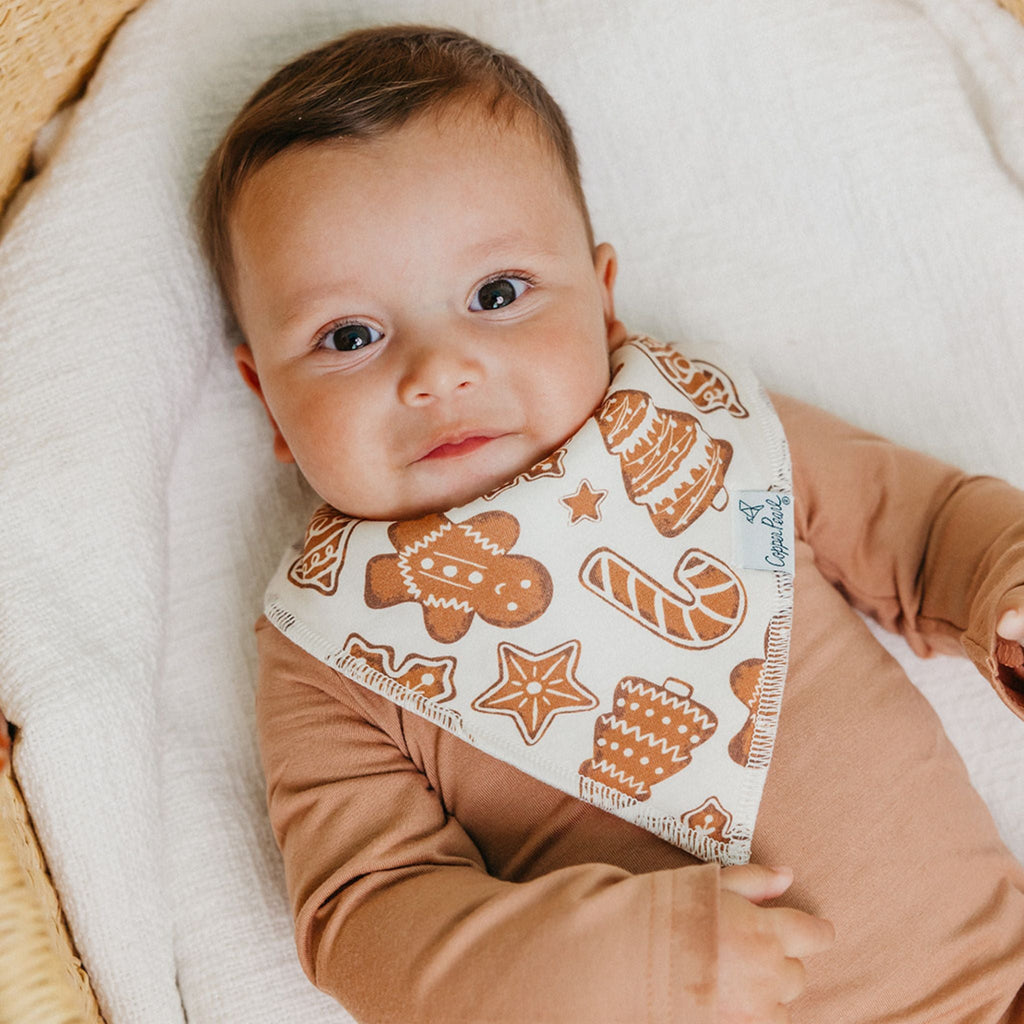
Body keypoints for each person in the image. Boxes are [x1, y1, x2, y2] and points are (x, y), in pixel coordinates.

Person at [194, 24, 1024, 1023]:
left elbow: (924, 528)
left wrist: (1004, 582)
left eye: (497, 294)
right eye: (349, 336)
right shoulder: (332, 646)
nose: (438, 371)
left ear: (602, 300)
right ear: (267, 398)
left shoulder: (707, 432)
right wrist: (602, 962)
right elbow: (365, 918)